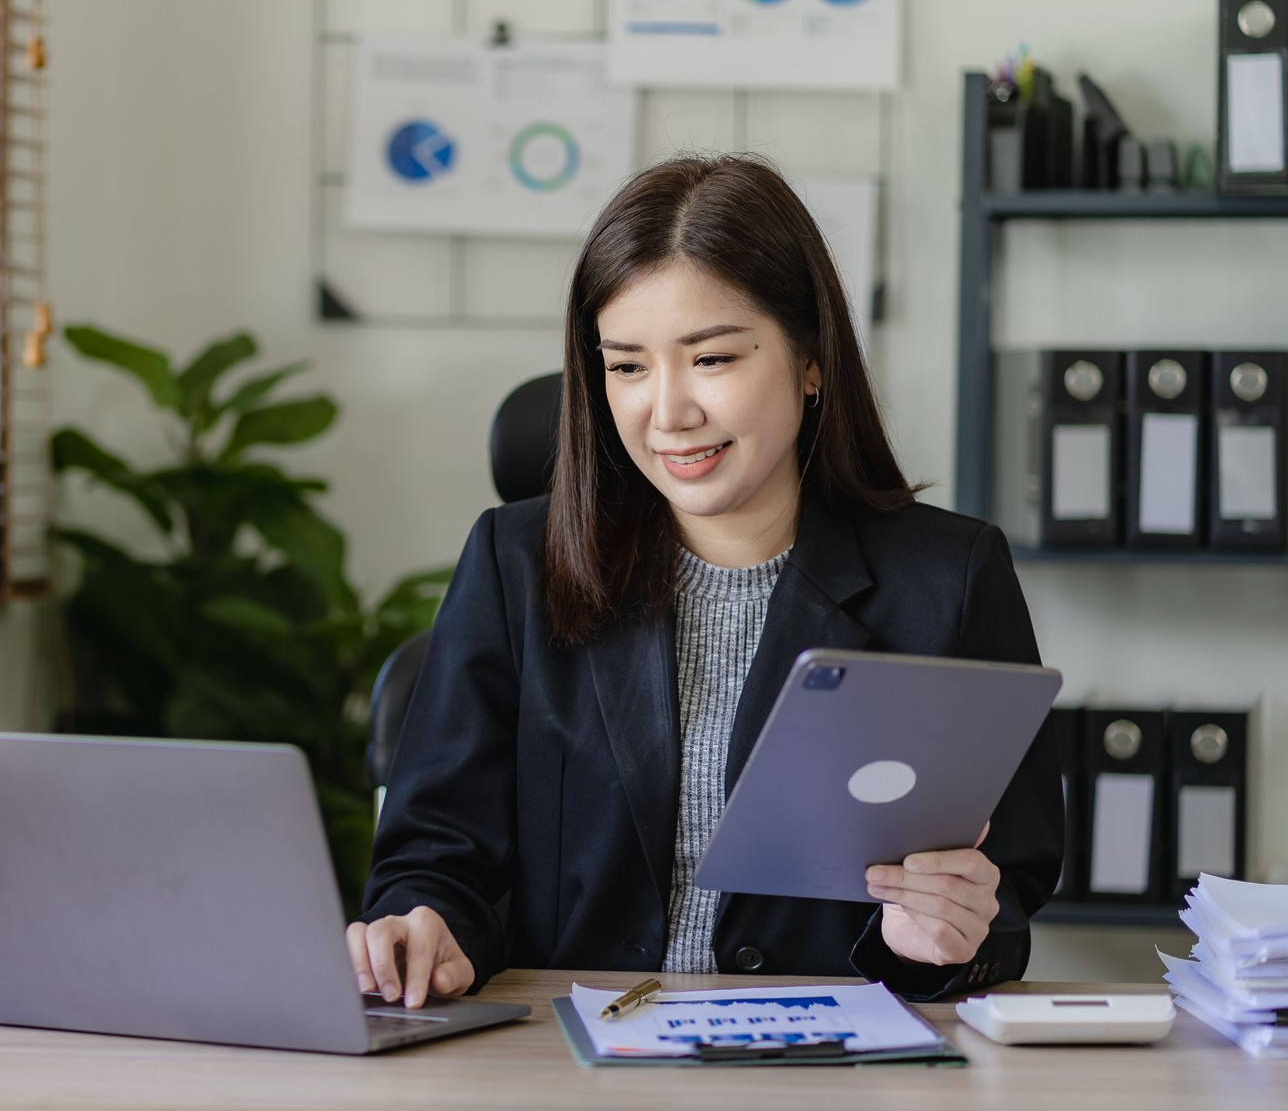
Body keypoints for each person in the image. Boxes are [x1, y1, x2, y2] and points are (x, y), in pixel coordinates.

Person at [348, 155, 1062, 1009]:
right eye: (627, 366)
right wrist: (425, 926)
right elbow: (432, 859)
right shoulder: (516, 562)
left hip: (823, 1068)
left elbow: (1009, 892)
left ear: (810, 361)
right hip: (561, 1064)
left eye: (713, 359)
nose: (668, 411)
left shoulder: (947, 580)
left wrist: (933, 941)